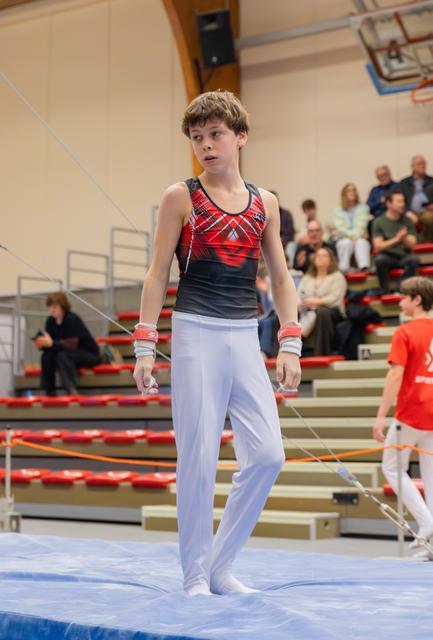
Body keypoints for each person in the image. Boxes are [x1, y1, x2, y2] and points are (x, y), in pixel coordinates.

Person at [132, 91, 301, 597]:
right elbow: (158, 270)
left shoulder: (265, 202)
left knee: (269, 455)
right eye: (197, 137)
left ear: (240, 136)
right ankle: (194, 576)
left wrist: (289, 340)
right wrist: (145, 344)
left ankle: (221, 566)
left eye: (215, 135)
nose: (205, 145)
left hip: (244, 335)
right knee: (200, 457)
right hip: (195, 334)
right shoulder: (179, 197)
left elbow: (282, 276)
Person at [373, 277, 433, 557]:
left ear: (417, 299)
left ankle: (426, 523)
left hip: (411, 412)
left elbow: (395, 374)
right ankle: (430, 543)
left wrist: (380, 416)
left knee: (392, 467)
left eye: (404, 297)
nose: (399, 302)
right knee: (431, 478)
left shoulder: (405, 332)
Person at [35, 291, 101, 395]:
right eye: (50, 307)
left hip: (88, 354)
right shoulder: (50, 321)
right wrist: (42, 345)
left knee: (63, 355)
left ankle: (70, 389)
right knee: (46, 356)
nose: (52, 310)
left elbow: (71, 345)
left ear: (62, 306)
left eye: (55, 306)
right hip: (69, 354)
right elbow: (52, 345)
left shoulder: (72, 319)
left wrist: (51, 344)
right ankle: (49, 391)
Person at [297, 247, 347, 355]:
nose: (320, 258)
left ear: (331, 260)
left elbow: (336, 299)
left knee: (322, 313)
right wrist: (301, 302)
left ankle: (321, 353)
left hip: (331, 311)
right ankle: (284, 352)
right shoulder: (308, 277)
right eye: (318, 256)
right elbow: (299, 294)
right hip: (307, 309)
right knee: (284, 314)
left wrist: (316, 302)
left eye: (324, 256)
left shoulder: (337, 276)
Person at [372, 190, 419, 292]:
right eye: (399, 201)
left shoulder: (407, 221)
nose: (403, 204)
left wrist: (404, 238)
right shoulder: (378, 222)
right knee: (380, 260)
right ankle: (385, 291)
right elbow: (378, 246)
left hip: (404, 255)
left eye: (403, 201)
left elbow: (412, 245)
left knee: (414, 260)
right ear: (389, 204)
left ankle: (402, 289)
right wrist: (397, 239)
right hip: (387, 255)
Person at [332, 183, 372, 273]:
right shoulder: (337, 211)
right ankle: (344, 268)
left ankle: (364, 268)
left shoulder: (364, 208)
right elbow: (341, 228)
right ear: (344, 194)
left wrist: (356, 238)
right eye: (349, 190)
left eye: (354, 190)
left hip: (360, 237)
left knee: (362, 243)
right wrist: (352, 239)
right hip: (343, 238)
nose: (352, 192)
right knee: (345, 243)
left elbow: (361, 225)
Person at [399, 155, 433, 242]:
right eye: (420, 163)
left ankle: (427, 244)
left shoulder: (431, 181)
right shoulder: (404, 183)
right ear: (412, 166)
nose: (423, 166)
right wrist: (407, 212)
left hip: (427, 212)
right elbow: (398, 200)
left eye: (424, 163)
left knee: (429, 218)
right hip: (409, 212)